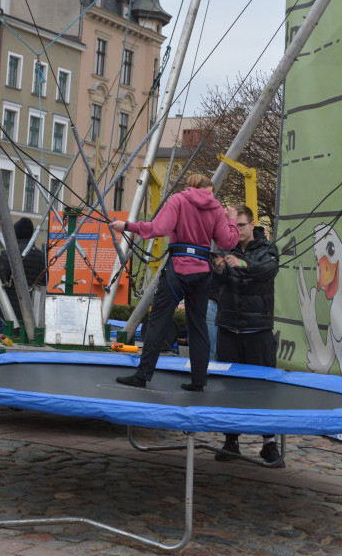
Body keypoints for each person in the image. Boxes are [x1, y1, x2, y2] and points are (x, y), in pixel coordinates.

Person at [109, 174, 239, 391]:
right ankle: (199, 381)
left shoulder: (179, 200)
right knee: (198, 327)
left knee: (158, 322)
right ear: (208, 188)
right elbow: (227, 241)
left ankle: (142, 375)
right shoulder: (216, 208)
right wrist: (232, 219)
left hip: (177, 270)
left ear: (191, 185)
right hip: (202, 273)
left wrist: (127, 226)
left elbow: (157, 229)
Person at [211, 204, 281, 464]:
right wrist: (217, 268)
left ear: (253, 225)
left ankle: (269, 443)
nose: (237, 230)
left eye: (242, 225)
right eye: (235, 225)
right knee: (228, 388)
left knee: (264, 388)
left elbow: (268, 271)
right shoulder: (224, 247)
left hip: (258, 328)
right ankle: (231, 442)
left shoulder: (267, 249)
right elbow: (214, 284)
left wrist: (241, 263)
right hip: (229, 326)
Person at [0, 217, 46, 327]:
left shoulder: (9, 254)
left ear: (16, 234)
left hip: (6, 315)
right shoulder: (42, 257)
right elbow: (44, 285)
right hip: (30, 317)